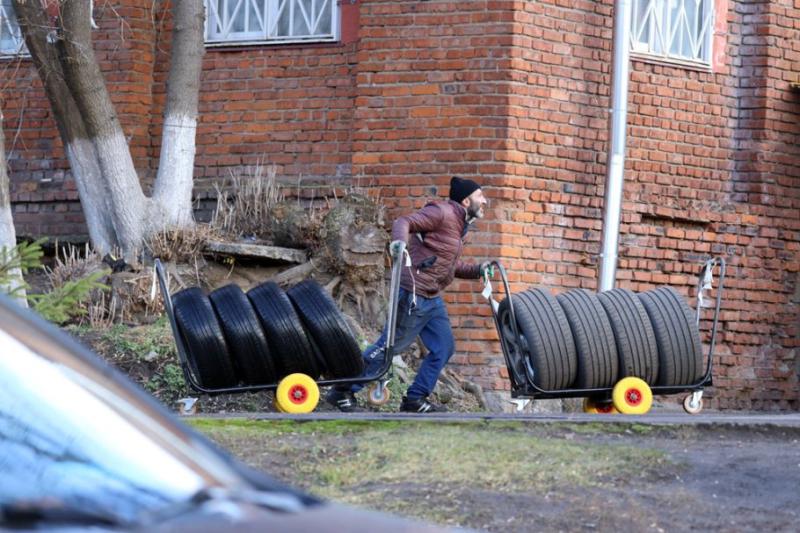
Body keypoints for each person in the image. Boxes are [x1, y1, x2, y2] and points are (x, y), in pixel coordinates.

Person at [325, 176, 492, 413]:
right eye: (480, 196)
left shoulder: (459, 225)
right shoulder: (441, 213)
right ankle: (341, 391)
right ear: (466, 201)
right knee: (389, 347)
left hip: (431, 297)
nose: (484, 201)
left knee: (444, 347)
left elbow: (447, 264)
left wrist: (478, 270)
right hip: (414, 293)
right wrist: (399, 244)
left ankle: (415, 399)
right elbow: (404, 222)